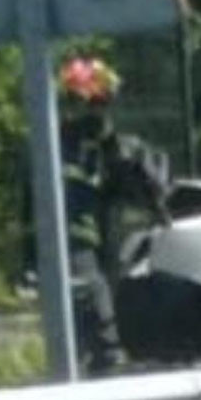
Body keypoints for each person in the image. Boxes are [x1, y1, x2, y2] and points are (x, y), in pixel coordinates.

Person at [58, 56, 170, 375]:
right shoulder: (54, 145)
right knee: (93, 307)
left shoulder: (116, 147)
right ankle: (105, 356)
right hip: (74, 244)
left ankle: (103, 356)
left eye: (102, 102)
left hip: (106, 247)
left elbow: (150, 187)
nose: (95, 110)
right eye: (87, 102)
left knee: (101, 301)